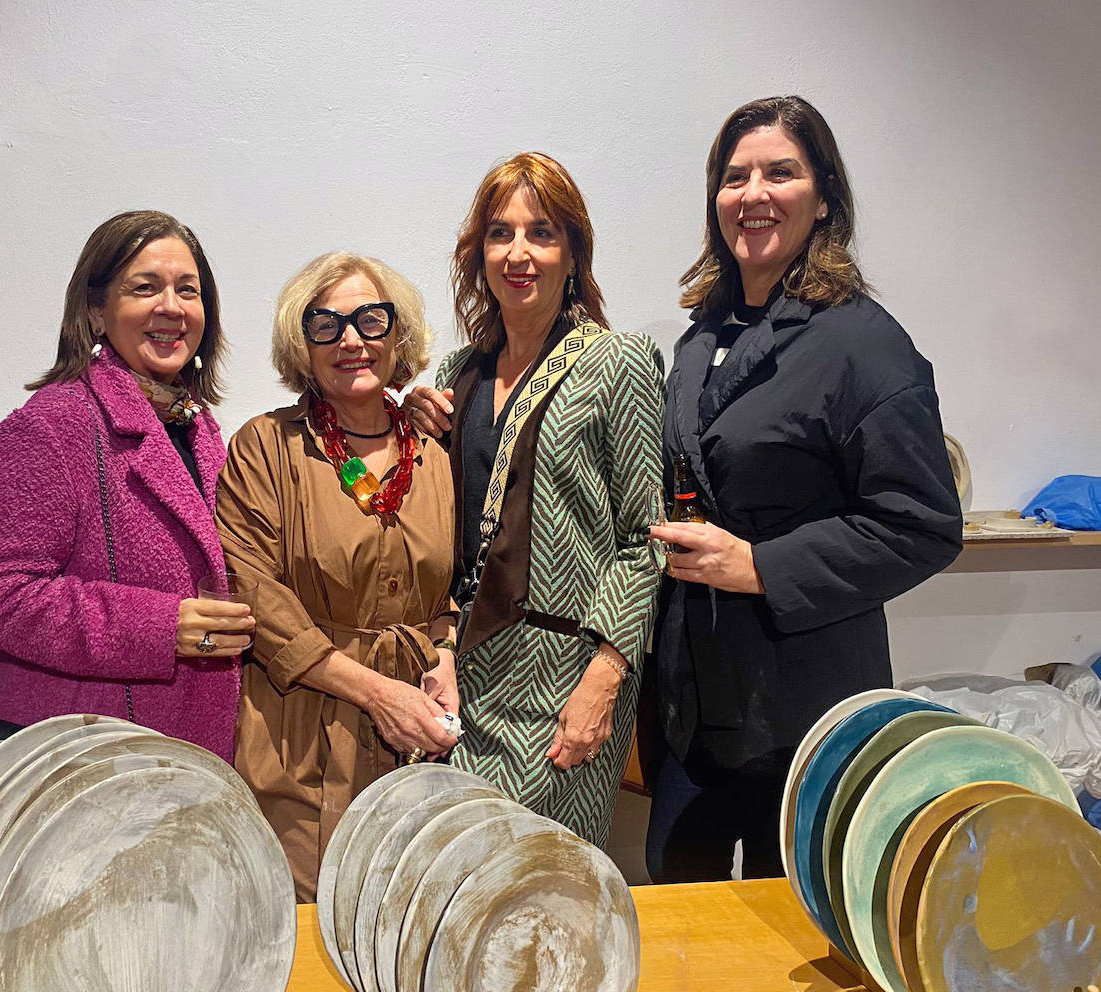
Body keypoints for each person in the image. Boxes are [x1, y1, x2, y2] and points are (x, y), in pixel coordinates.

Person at [644, 96, 962, 883]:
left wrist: (762, 567)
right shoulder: (700, 338)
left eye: (780, 173)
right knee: (680, 893)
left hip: (803, 705)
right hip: (696, 702)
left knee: (796, 921)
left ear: (823, 198)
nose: (752, 194)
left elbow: (922, 525)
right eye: (734, 176)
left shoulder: (865, 344)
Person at [405, 152, 666, 848]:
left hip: (562, 683)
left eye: (542, 232)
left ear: (572, 253)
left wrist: (605, 679)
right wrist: (409, 430)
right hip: (459, 674)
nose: (519, 253)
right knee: (452, 880)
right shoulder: (456, 373)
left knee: (536, 888)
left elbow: (645, 540)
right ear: (478, 253)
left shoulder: (617, 362)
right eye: (500, 233)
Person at [0, 210, 253, 761]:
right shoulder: (52, 426)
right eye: (145, 288)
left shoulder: (199, 426)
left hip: (177, 752)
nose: (172, 307)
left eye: (189, 290)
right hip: (83, 766)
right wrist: (160, 627)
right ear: (95, 312)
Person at [215, 252, 460, 901]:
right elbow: (255, 597)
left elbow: (463, 586)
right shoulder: (263, 448)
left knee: (407, 932)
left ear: (398, 334)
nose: (351, 340)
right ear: (303, 343)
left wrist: (450, 655)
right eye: (327, 324)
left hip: (421, 748)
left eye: (369, 320)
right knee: (305, 937)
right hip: (302, 750)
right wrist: (380, 695)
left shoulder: (439, 455)